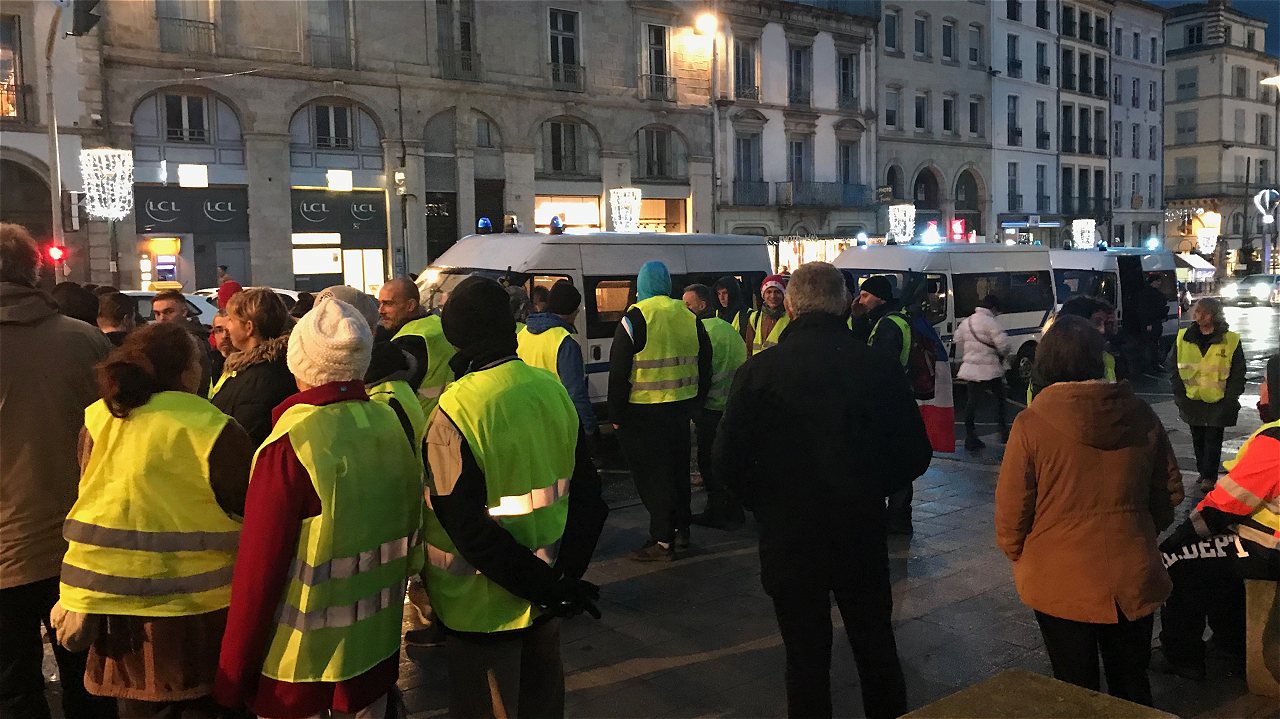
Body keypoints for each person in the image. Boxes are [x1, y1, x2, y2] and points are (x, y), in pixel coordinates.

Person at [714, 262, 931, 719]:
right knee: (875, 646)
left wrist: (768, 502)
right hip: (859, 531)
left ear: (790, 307)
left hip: (789, 536)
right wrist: (870, 487)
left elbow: (727, 462)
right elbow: (914, 453)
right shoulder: (875, 367)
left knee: (805, 657)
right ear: (846, 306)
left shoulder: (758, 373)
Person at [215, 298, 424, 719]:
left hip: (299, 670)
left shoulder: (291, 445)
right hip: (374, 655)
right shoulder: (389, 424)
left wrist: (232, 676)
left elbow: (258, 577)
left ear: (299, 363)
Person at [423, 276, 607, 718]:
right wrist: (561, 583)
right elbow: (589, 499)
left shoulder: (456, 410)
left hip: (480, 613)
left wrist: (546, 587)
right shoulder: (552, 390)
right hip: (546, 600)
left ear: (455, 338)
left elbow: (468, 529)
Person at [54, 322, 253, 717]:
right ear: (184, 372)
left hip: (115, 612)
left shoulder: (98, 419)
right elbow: (249, 507)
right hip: (196, 617)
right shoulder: (212, 428)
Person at [996, 315, 1183, 706]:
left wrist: (1020, 552)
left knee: (1074, 688)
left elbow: (1013, 509)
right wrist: (1140, 531)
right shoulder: (1141, 415)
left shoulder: (1031, 422)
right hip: (1132, 571)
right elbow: (1168, 493)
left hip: (1060, 575)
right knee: (1131, 682)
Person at [0, 223, 116, 719]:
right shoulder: (84, 340)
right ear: (35, 271)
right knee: (90, 684)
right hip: (81, 543)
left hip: (5, 551)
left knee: (12, 689)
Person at [1154, 352, 1278, 680]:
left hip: (1270, 545)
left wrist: (1177, 539)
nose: (1262, 390)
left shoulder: (1275, 442)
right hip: (1262, 539)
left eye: (1266, 383)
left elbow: (1223, 506)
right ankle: (1231, 640)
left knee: (1181, 559)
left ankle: (1183, 656)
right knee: (1219, 556)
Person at [608, 261, 712, 561]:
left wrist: (615, 415)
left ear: (641, 284)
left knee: (654, 479)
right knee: (678, 472)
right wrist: (696, 401)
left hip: (642, 413)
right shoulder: (689, 316)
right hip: (680, 409)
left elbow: (618, 372)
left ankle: (662, 539)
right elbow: (705, 361)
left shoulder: (634, 318)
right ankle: (683, 531)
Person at [851, 276, 917, 534]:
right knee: (897, 459)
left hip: (887, 402)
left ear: (880, 297)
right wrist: (858, 318)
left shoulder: (888, 325)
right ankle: (898, 516)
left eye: (865, 295)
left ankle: (897, 518)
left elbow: (875, 363)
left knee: (891, 461)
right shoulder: (889, 320)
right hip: (897, 398)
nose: (861, 300)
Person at [683, 284, 747, 530]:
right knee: (729, 459)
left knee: (709, 462)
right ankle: (734, 508)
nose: (684, 309)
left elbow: (700, 373)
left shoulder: (700, 332)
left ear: (702, 305)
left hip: (710, 408)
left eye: (689, 304)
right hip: (732, 406)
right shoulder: (727, 329)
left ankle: (717, 510)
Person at [1169, 297, 1246, 493]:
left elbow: (1238, 370)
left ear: (1214, 315)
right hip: (1192, 398)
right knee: (1198, 438)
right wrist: (1180, 394)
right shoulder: (1183, 337)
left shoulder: (1230, 339)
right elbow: (1173, 368)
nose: (1198, 316)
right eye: (1197, 311)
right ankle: (1203, 472)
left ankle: (1208, 476)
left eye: (1203, 312)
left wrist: (1231, 397)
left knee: (1213, 438)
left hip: (1218, 400)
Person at [210, 287, 294, 445]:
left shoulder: (259, 378)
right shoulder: (278, 365)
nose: (227, 328)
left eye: (232, 320)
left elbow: (244, 437)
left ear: (249, 328)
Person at [517, 280, 598, 437]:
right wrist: (590, 428)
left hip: (528, 419)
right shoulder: (565, 343)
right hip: (557, 424)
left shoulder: (523, 334)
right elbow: (575, 394)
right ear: (573, 312)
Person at [380, 277, 456, 419]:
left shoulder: (408, 341)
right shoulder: (438, 324)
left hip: (420, 424)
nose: (381, 310)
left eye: (388, 304)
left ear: (410, 306)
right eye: (380, 303)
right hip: (447, 417)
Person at [1028, 296, 1124, 403]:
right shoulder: (1057, 367)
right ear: (1074, 326)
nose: (1102, 330)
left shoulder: (1107, 357)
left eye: (1107, 324)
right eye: (1097, 322)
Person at [956, 294, 1011, 452]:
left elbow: (958, 338)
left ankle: (970, 436)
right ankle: (1003, 432)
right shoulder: (991, 322)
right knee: (1000, 400)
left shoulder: (968, 321)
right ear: (993, 308)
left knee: (971, 403)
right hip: (990, 369)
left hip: (971, 369)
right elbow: (1004, 345)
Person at [153, 289, 213, 395]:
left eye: (168, 312)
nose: (162, 318)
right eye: (157, 313)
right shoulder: (158, 339)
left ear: (184, 312)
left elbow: (201, 381)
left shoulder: (193, 340)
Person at [746, 274, 789, 355]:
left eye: (777, 292)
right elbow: (749, 348)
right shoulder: (755, 317)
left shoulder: (791, 317)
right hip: (757, 366)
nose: (773, 296)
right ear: (763, 295)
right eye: (769, 292)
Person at [712, 275, 751, 341]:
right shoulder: (717, 313)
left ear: (733, 293)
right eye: (719, 294)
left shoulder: (747, 314)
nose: (721, 298)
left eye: (725, 293)